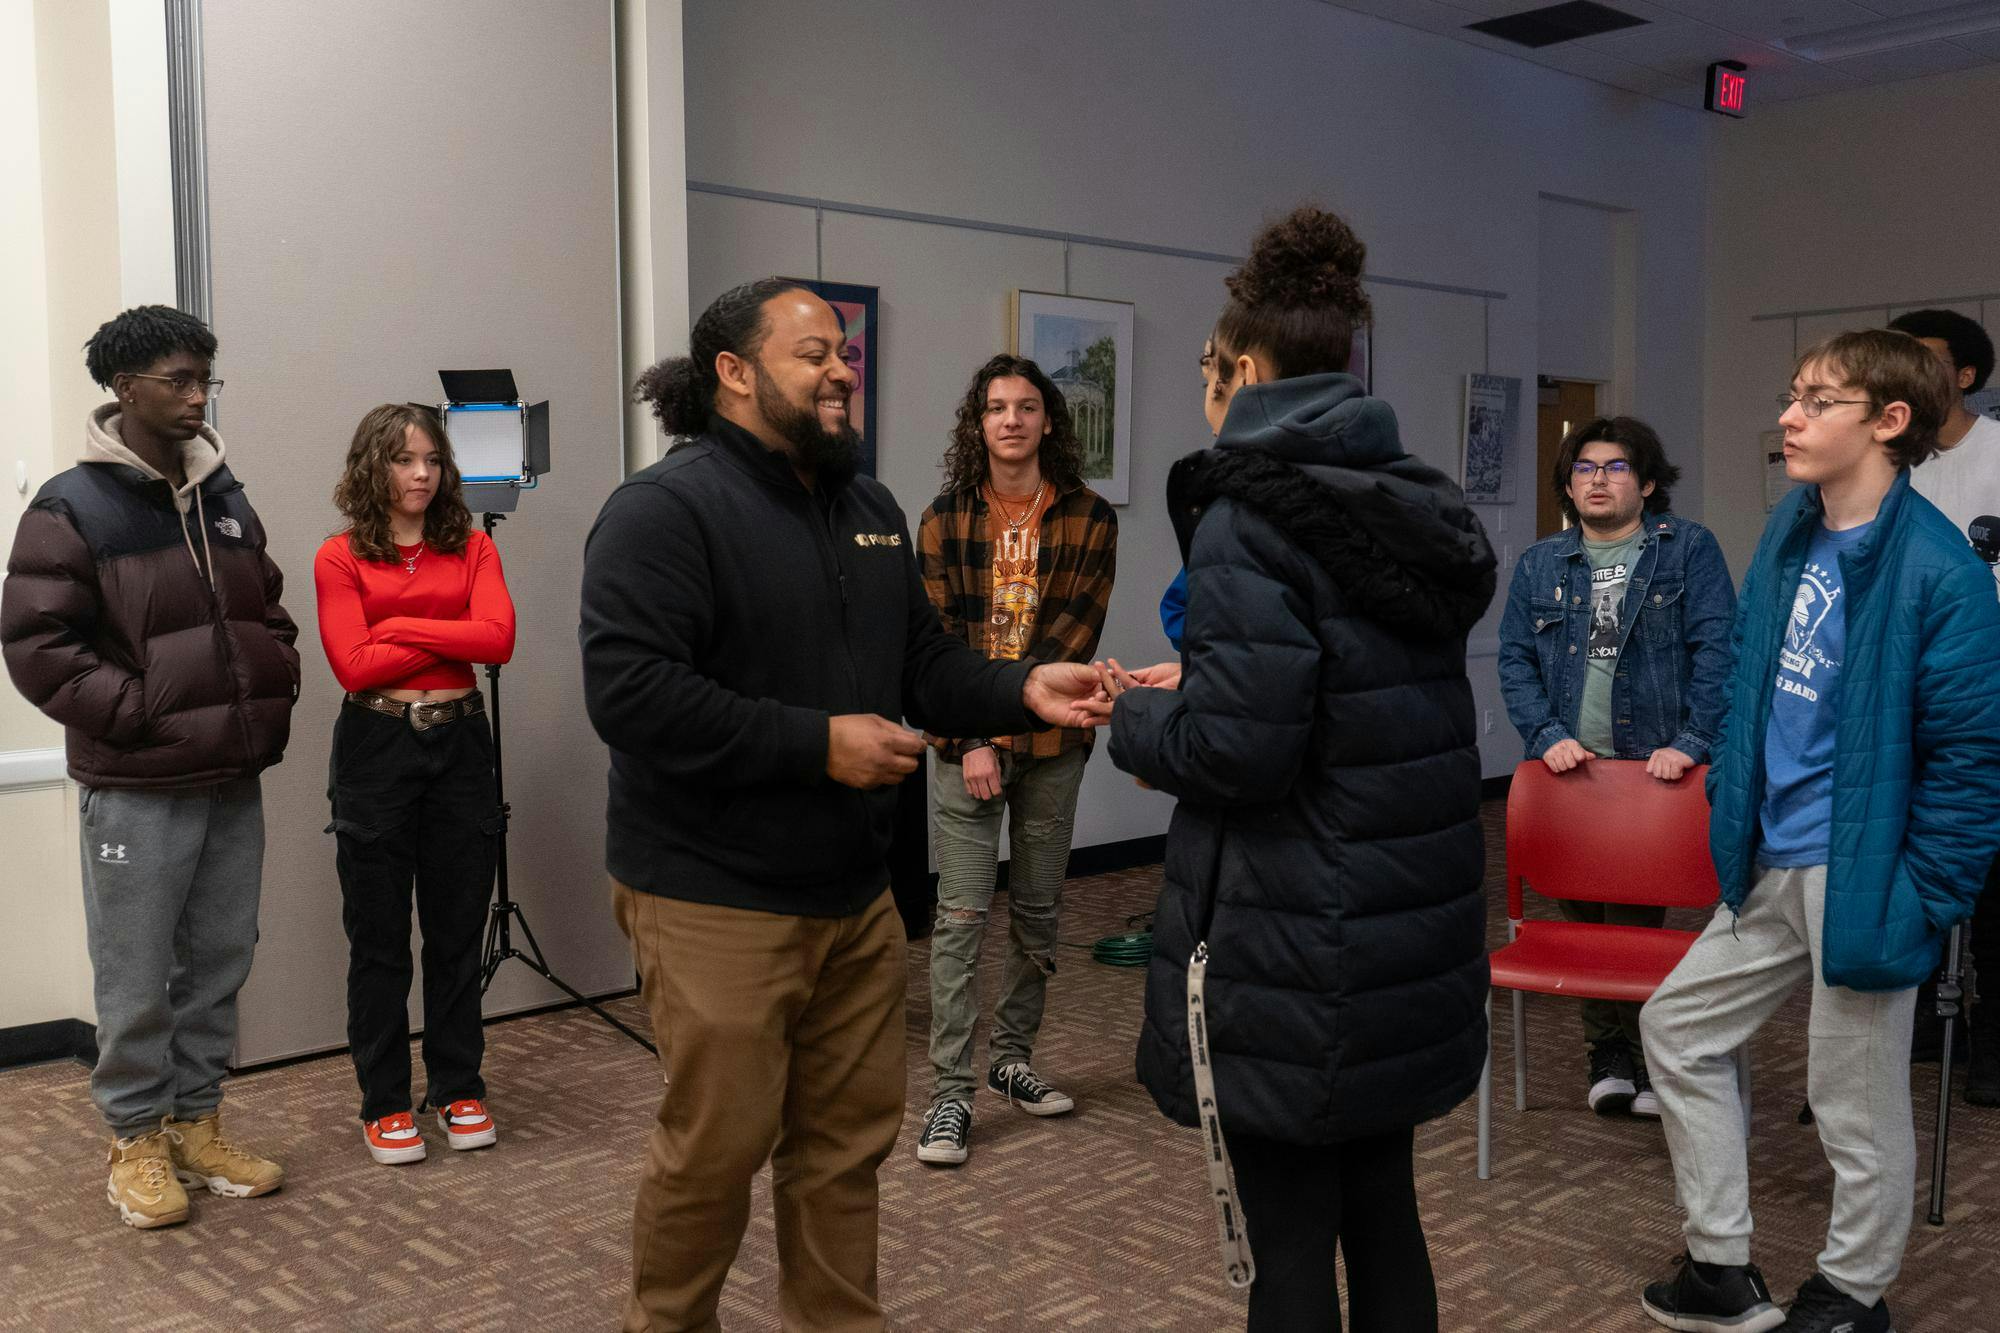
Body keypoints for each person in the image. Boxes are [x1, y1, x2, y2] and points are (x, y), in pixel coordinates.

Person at [579, 277, 1104, 1331]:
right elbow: (631, 697)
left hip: (854, 898)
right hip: (712, 893)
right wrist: (817, 743)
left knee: (842, 1147)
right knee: (715, 1154)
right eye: (810, 353)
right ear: (731, 374)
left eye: (844, 353)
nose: (839, 371)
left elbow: (917, 662)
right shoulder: (660, 512)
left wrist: (1017, 688)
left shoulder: (866, 507)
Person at [1087, 206, 1495, 1332]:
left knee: (1288, 1244)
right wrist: (1206, 682)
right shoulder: (1416, 499)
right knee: (1380, 1208)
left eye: (1209, 372)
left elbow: (1239, 750)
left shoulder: (1247, 513)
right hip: (1404, 922)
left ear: (1244, 371)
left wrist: (1129, 723)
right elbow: (1339, 694)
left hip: (1293, 930)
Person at [1638, 330, 2000, 1333]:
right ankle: (1717, 1264)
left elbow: (1970, 768)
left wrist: (1921, 898)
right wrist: (1730, 814)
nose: (1789, 417)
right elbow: (1758, 684)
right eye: (1791, 395)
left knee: (1853, 1102)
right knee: (1675, 1030)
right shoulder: (1790, 534)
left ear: (1887, 422)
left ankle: (1851, 1293)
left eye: (1817, 401)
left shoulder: (1940, 572)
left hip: (1862, 873)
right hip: (1766, 859)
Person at [1, 305, 298, 1228]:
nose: (197, 396)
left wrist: (274, 677)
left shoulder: (225, 495)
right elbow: (36, 643)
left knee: (219, 957)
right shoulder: (70, 505)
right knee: (134, 970)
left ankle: (197, 1124)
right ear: (125, 389)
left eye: (206, 377)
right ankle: (134, 1137)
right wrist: (141, 717)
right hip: (137, 784)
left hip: (230, 774)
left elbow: (269, 611)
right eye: (178, 379)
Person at [911, 354, 1117, 1167]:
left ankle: (1011, 1058)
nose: (1010, 420)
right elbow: (933, 645)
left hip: (1053, 746)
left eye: (1026, 406)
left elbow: (1072, 636)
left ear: (1047, 422)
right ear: (978, 423)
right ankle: (949, 1098)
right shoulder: (942, 518)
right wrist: (973, 738)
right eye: (995, 407)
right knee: (960, 920)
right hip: (963, 745)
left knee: (1036, 912)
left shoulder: (1090, 517)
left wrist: (1002, 732)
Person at [1497, 416, 1735, 1118]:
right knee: (1580, 914)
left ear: (1649, 482)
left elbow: (1720, 650)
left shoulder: (1686, 550)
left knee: (1630, 921)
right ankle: (1612, 1054)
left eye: (1617, 467)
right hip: (1572, 771)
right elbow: (1514, 657)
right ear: (1568, 484)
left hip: (1655, 772)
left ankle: (1650, 1053)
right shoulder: (1543, 562)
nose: (1598, 479)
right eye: (1584, 468)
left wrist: (1693, 739)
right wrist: (1543, 734)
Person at [313, 404, 514, 1165]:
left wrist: (397, 627)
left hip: (461, 744)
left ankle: (460, 1086)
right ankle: (386, 1101)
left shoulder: (471, 546)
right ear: (374, 466)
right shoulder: (339, 556)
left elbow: (499, 640)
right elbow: (353, 667)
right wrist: (443, 629)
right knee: (379, 938)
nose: (422, 473)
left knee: (458, 931)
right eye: (404, 459)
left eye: (432, 458)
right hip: (376, 747)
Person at [1887, 308, 2000, 1101]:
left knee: (1988, 873)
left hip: (1984, 688)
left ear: (1964, 375)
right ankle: (1924, 1017)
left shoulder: (1998, 450)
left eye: (1922, 361)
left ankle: (1992, 1037)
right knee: (1908, 860)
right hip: (1904, 690)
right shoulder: (1890, 461)